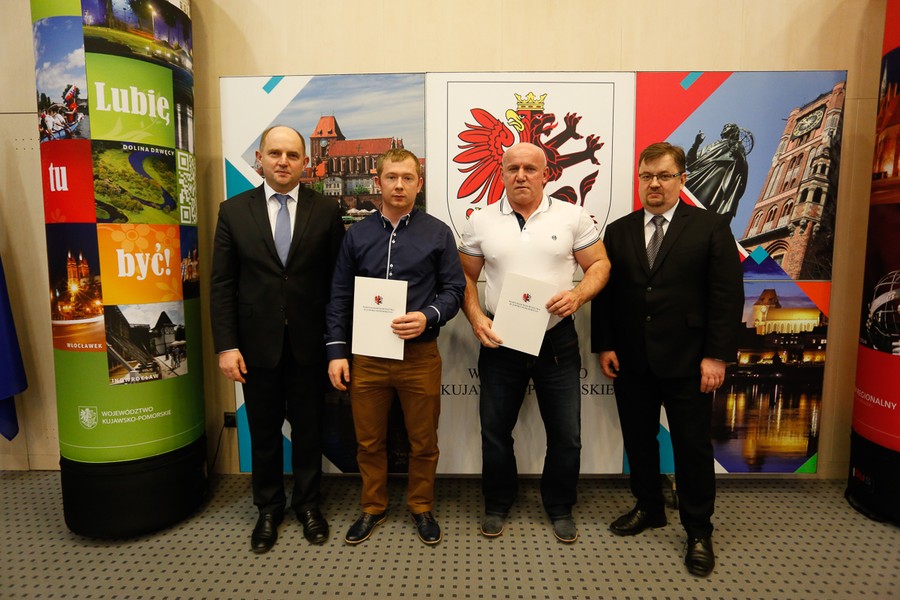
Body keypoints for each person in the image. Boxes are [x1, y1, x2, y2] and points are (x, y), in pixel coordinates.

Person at [591, 142, 744, 577]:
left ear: (682, 179)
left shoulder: (711, 227)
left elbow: (726, 297)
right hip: (631, 361)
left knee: (691, 448)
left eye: (663, 176)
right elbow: (605, 295)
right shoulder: (618, 231)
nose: (654, 184)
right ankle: (649, 507)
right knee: (639, 440)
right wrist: (605, 344)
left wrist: (716, 356)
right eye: (646, 176)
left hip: (690, 362)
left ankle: (698, 530)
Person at [458, 142, 610, 543]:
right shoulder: (480, 220)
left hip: (555, 339)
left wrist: (578, 295)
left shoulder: (573, 216)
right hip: (500, 338)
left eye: (530, 168)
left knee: (566, 434)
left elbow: (599, 264)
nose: (521, 175)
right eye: (513, 168)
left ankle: (560, 506)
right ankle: (497, 502)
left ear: (547, 174)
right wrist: (476, 318)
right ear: (502, 174)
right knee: (494, 431)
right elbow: (465, 276)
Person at [210, 125, 345, 553]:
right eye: (274, 153)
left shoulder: (326, 210)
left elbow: (338, 282)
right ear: (260, 159)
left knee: (309, 431)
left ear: (305, 161)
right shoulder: (233, 211)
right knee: (264, 432)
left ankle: (308, 505)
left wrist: (337, 344)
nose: (283, 161)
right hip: (255, 347)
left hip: (310, 344)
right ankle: (268, 509)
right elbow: (222, 284)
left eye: (291, 155)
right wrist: (226, 345)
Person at [326, 148, 465, 546]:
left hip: (419, 355)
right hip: (367, 357)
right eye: (391, 177)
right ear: (378, 182)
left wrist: (428, 315)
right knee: (369, 440)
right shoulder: (356, 235)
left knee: (423, 440)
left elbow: (454, 290)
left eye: (407, 178)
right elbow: (339, 295)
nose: (399, 185)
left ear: (419, 184)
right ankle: (373, 506)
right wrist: (336, 352)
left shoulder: (438, 233)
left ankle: (421, 506)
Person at [685, 123, 749, 221]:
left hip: (716, 174)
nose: (725, 128)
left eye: (728, 127)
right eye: (724, 127)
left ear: (734, 131)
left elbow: (742, 167)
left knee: (701, 204)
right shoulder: (711, 145)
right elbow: (691, 162)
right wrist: (696, 144)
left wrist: (738, 155)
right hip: (699, 173)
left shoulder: (736, 145)